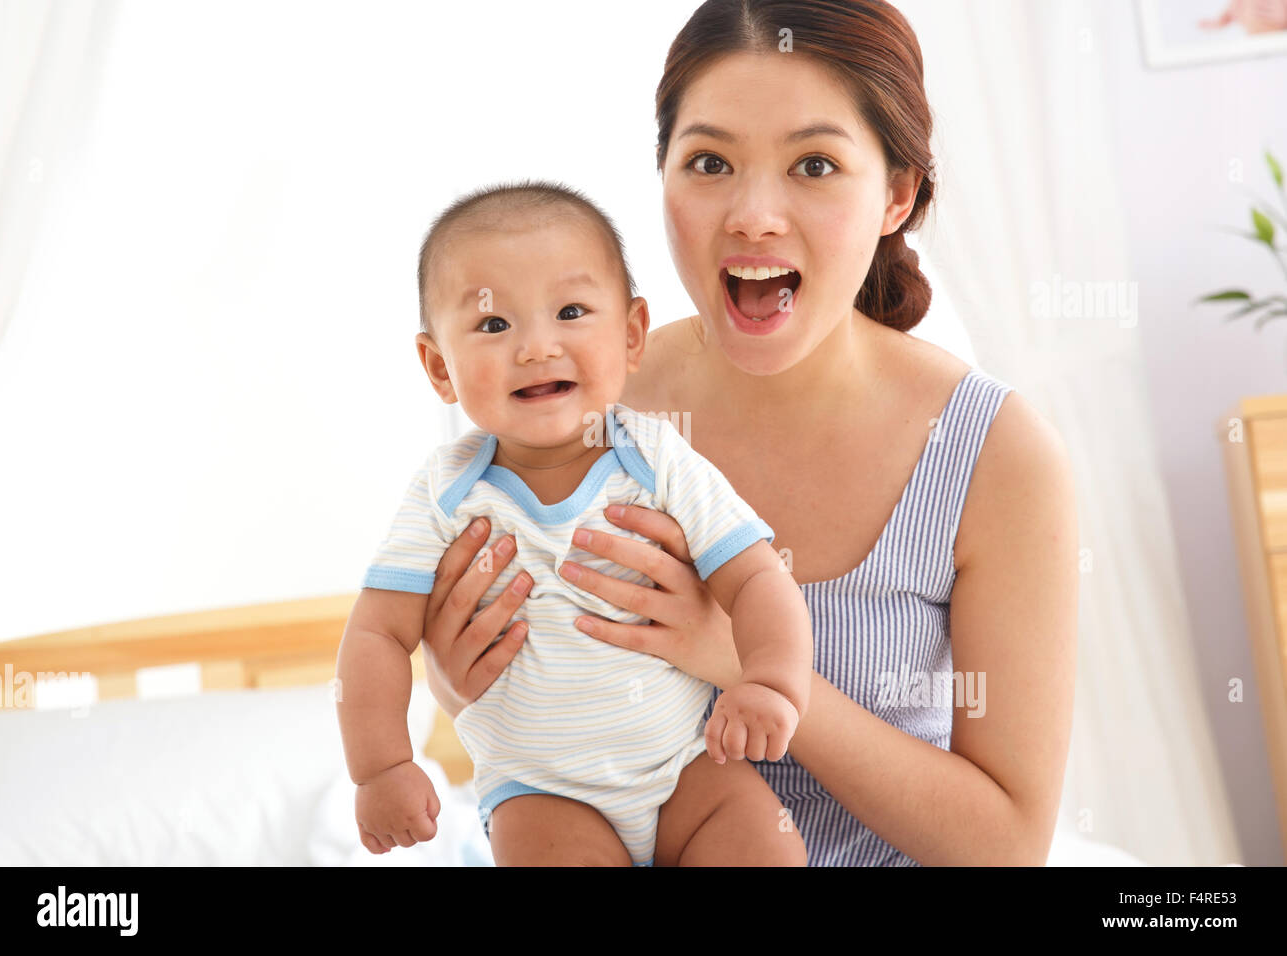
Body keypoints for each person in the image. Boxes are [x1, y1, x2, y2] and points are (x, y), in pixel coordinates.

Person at [419, 0, 1078, 866]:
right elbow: (487, 688)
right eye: (709, 162)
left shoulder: (993, 454)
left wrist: (746, 661)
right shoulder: (569, 407)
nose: (753, 214)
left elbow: (1008, 845)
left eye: (813, 164)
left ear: (897, 192)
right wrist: (456, 674)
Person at [335, 180, 812, 867]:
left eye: (570, 311)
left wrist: (770, 682)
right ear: (440, 367)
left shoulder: (658, 458)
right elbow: (377, 633)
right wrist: (380, 768)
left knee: (765, 852)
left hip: (690, 766)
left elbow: (757, 577)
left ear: (630, 335)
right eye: (494, 325)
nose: (535, 347)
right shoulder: (445, 496)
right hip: (542, 794)